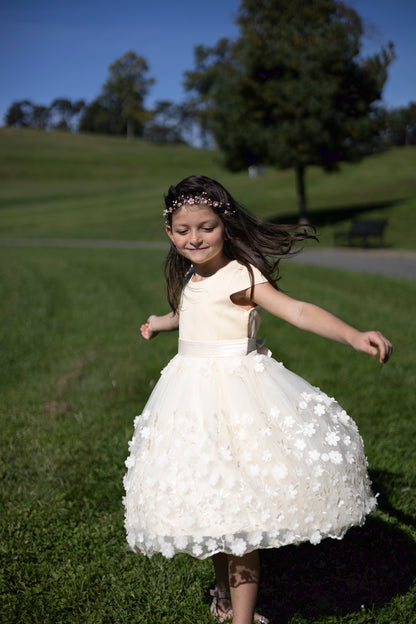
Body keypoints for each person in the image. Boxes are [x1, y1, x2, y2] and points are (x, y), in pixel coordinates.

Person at [123, 175, 392, 624]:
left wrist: (351, 334)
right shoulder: (191, 275)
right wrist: (158, 322)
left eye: (206, 227)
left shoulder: (242, 275)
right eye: (184, 230)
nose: (195, 238)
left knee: (243, 517)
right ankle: (224, 595)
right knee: (213, 507)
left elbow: (297, 310)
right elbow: (186, 311)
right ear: (169, 232)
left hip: (240, 400)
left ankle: (243, 619)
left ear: (224, 225)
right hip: (192, 405)